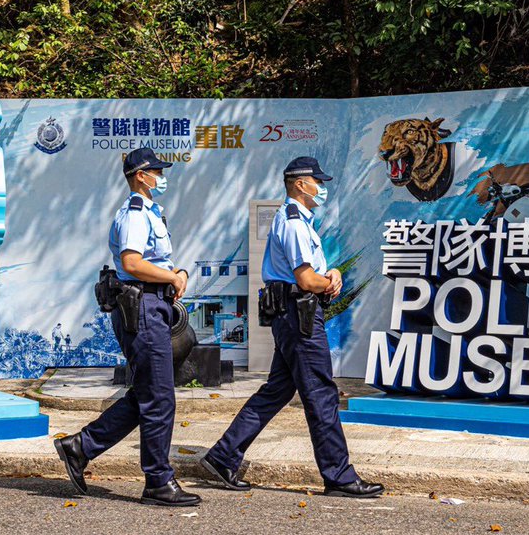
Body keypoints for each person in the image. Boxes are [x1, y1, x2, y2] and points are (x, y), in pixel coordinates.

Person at [200, 156, 383, 498]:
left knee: (277, 390)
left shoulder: (297, 221)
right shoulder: (295, 223)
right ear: (300, 184)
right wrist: (326, 282)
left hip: (292, 313)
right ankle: (339, 476)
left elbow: (313, 272)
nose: (322, 188)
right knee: (321, 394)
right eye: (318, 182)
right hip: (299, 316)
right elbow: (305, 278)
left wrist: (333, 274)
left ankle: (223, 455)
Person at [54, 147, 201, 507]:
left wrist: (174, 273)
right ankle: (157, 481)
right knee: (159, 398)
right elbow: (132, 262)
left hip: (153, 305)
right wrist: (171, 275)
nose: (162, 178)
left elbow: (151, 261)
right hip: (143, 308)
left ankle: (80, 447)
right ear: (140, 175)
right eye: (157, 172)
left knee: (148, 394)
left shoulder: (149, 212)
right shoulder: (135, 214)